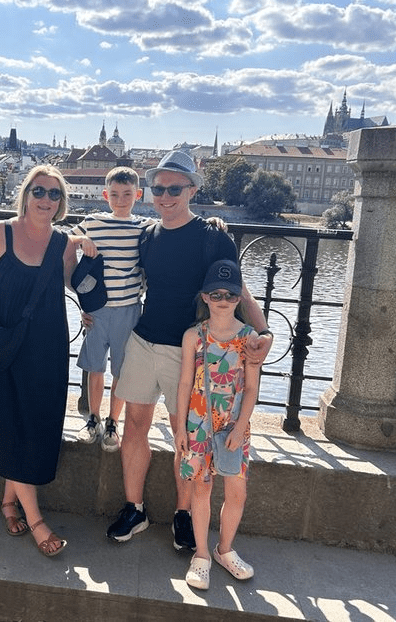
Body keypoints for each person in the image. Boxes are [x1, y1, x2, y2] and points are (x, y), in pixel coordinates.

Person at [106, 150, 273, 552]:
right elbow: (115, 270)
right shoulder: (147, 234)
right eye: (159, 188)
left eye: (174, 188)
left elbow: (237, 288)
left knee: (189, 439)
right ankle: (135, 508)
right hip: (145, 340)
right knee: (135, 429)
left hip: (192, 351)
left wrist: (263, 330)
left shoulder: (212, 236)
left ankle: (183, 513)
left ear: (192, 190)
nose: (165, 195)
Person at [0, 165, 81, 557]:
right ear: (25, 193)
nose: (46, 200)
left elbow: (77, 283)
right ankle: (36, 519)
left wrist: (86, 247)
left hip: (47, 348)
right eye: (39, 191)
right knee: (10, 422)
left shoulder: (63, 243)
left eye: (54, 194)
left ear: (62, 202)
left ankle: (9, 503)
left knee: (36, 423)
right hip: (3, 345)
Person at [174, 259, 260, 590]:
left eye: (231, 294)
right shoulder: (193, 337)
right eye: (216, 293)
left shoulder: (249, 338)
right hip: (198, 423)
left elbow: (252, 388)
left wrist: (241, 427)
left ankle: (225, 549)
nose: (223, 299)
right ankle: (201, 554)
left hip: (234, 426)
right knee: (202, 488)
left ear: (239, 298)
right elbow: (184, 383)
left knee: (237, 490)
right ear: (205, 297)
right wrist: (181, 428)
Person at [70, 166, 148, 452]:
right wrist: (81, 240)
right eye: (114, 194)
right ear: (105, 195)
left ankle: (113, 422)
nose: (121, 199)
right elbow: (63, 242)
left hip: (129, 307)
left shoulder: (143, 227)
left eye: (127, 194)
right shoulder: (93, 222)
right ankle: (93, 418)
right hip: (98, 308)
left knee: (121, 369)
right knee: (94, 366)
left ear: (137, 195)